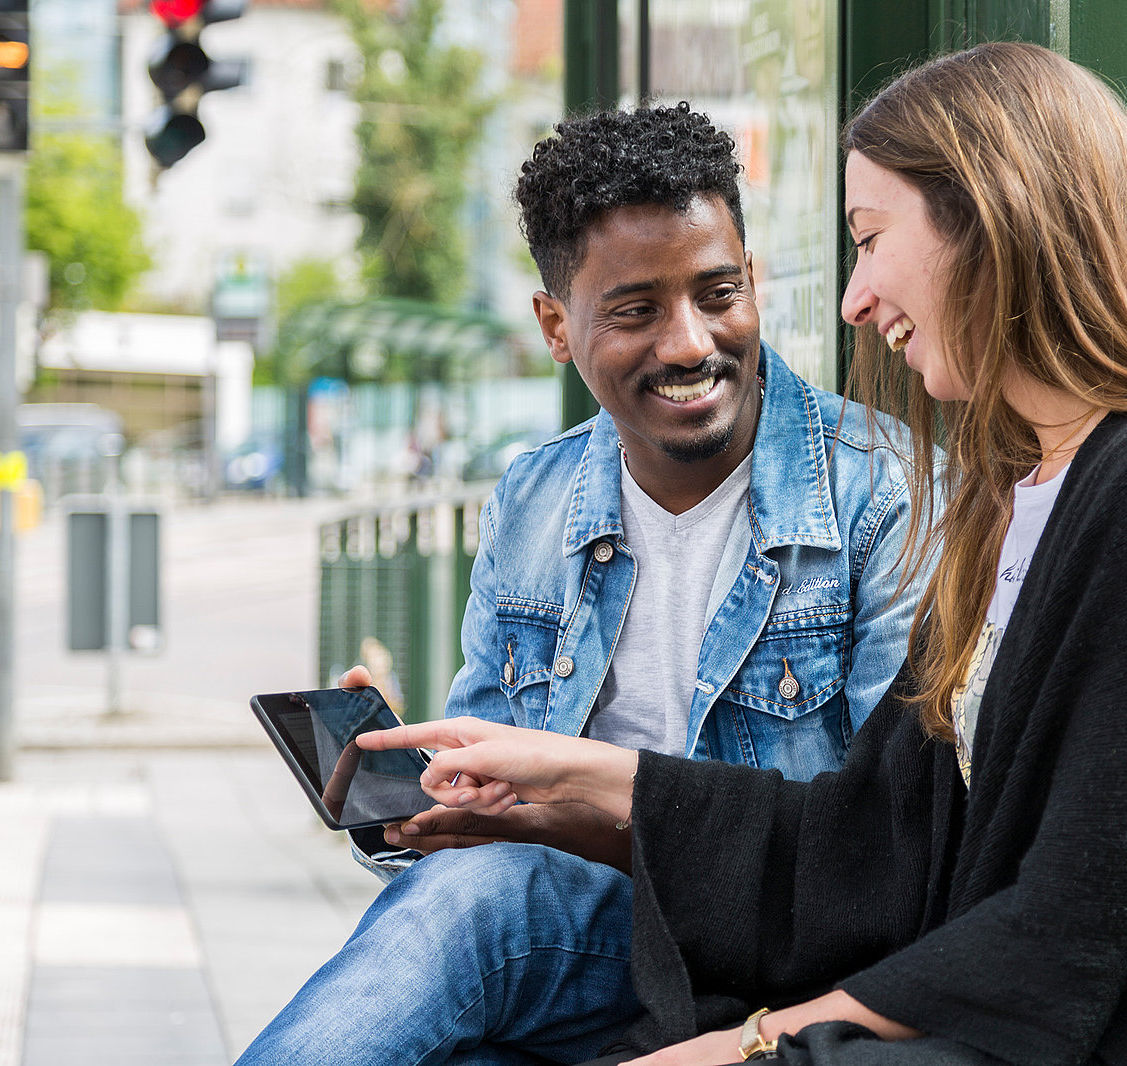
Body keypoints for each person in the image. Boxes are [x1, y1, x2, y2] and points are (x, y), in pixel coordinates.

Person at [355, 42, 1127, 1066]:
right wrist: (568, 782)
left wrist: (752, 1044)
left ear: (991, 224)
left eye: (871, 239)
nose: (851, 299)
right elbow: (883, 842)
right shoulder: (1011, 498)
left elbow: (1065, 926)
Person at [237, 103, 925, 1066]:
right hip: (598, 951)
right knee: (466, 920)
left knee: (482, 905)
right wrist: (415, 805)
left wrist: (565, 819)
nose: (690, 344)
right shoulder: (535, 495)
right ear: (557, 327)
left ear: (755, 283)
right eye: (637, 311)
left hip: (787, 965)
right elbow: (490, 813)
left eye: (718, 293)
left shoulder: (884, 491)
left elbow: (874, 851)